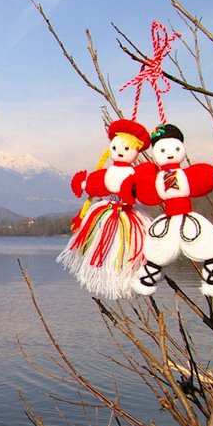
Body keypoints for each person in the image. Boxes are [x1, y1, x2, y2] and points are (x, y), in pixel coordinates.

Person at [120, 123, 213, 296]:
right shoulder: (159, 178)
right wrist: (132, 189)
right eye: (163, 151)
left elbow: (203, 177)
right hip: (172, 218)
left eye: (175, 148)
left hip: (184, 217)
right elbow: (146, 189)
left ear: (180, 148)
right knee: (158, 248)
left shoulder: (184, 175)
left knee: (205, 244)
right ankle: (148, 278)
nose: (170, 153)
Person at [57, 118, 152, 299]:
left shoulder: (135, 174)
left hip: (127, 216)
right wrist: (84, 184)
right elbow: (95, 183)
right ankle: (116, 278)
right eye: (116, 148)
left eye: (126, 149)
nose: (120, 152)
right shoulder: (108, 173)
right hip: (109, 213)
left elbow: (144, 190)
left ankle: (130, 279)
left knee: (130, 250)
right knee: (108, 248)